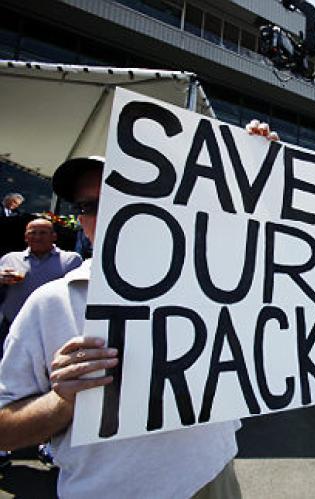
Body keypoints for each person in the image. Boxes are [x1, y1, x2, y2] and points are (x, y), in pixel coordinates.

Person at [0, 120, 278, 497]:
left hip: (215, 477)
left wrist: (258, 168)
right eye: (90, 205)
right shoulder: (51, 305)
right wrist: (62, 399)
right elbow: (6, 427)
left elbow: (252, 239)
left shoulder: (208, 282)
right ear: (81, 221)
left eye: (122, 194)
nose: (109, 212)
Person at [1, 219, 82, 356]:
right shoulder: (10, 259)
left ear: (54, 236)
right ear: (26, 237)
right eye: (33, 233)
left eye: (43, 233)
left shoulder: (70, 260)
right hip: (12, 325)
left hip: (51, 327)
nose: (37, 237)